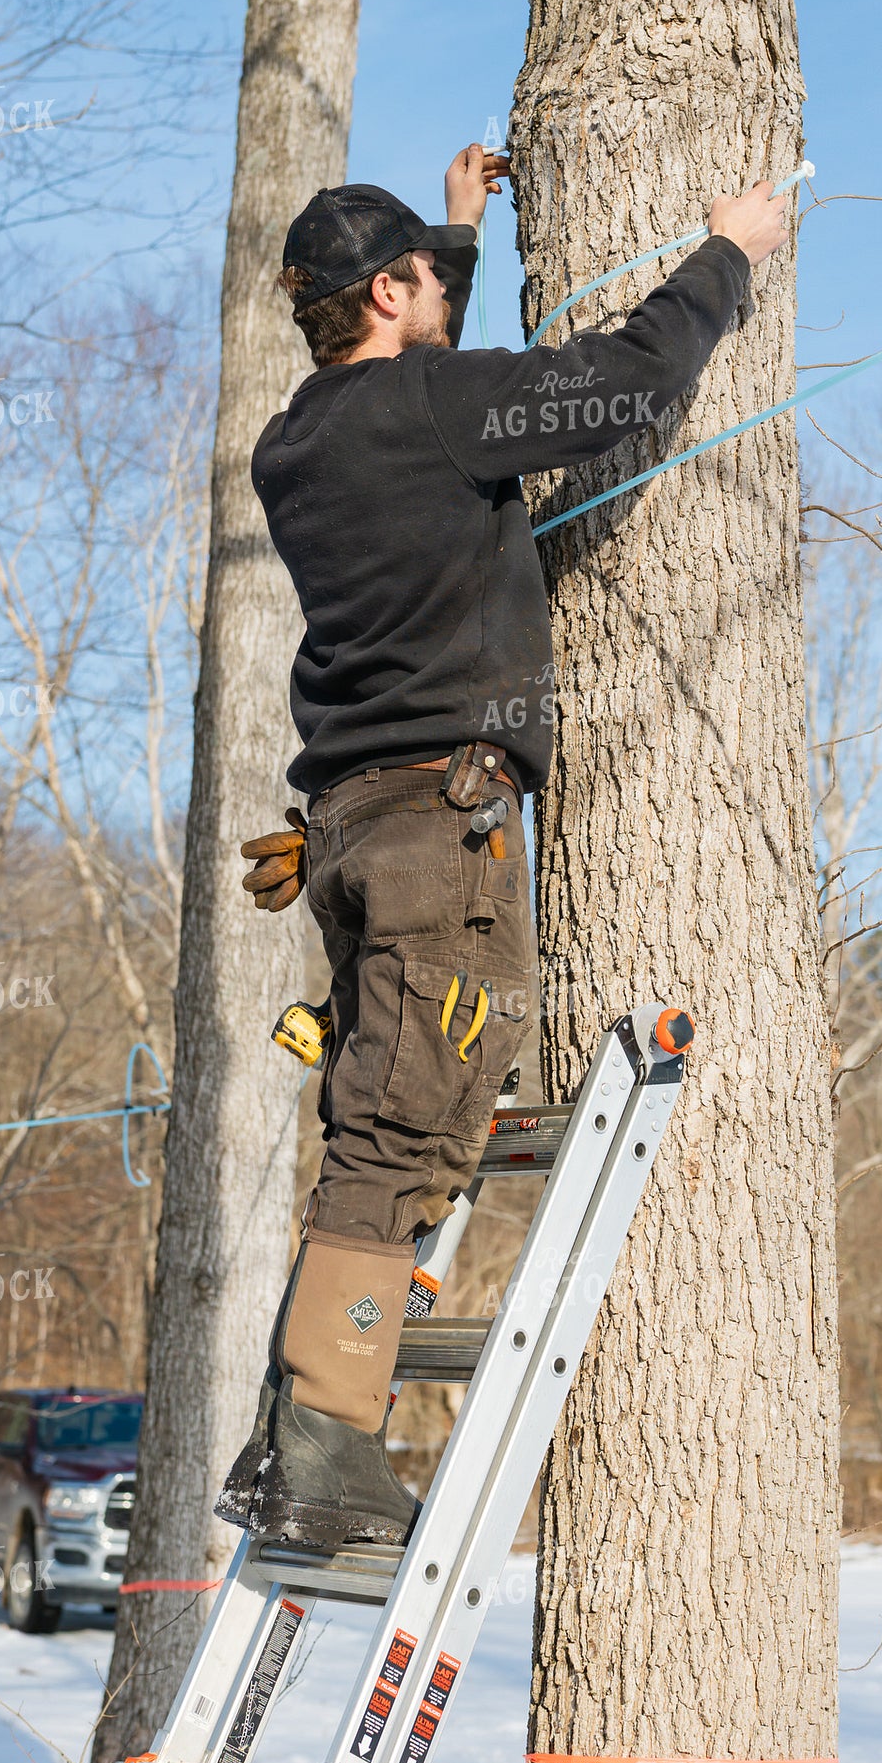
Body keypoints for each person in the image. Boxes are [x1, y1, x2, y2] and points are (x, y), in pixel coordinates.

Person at [216, 143, 792, 1551]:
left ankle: (299, 1425)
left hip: (350, 828)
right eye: (421, 273)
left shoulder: (298, 441)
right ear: (393, 291)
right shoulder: (431, 407)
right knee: (405, 1123)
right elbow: (629, 383)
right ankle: (318, 1434)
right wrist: (731, 251)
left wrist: (459, 233)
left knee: (379, 1113)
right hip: (438, 827)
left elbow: (420, 399)